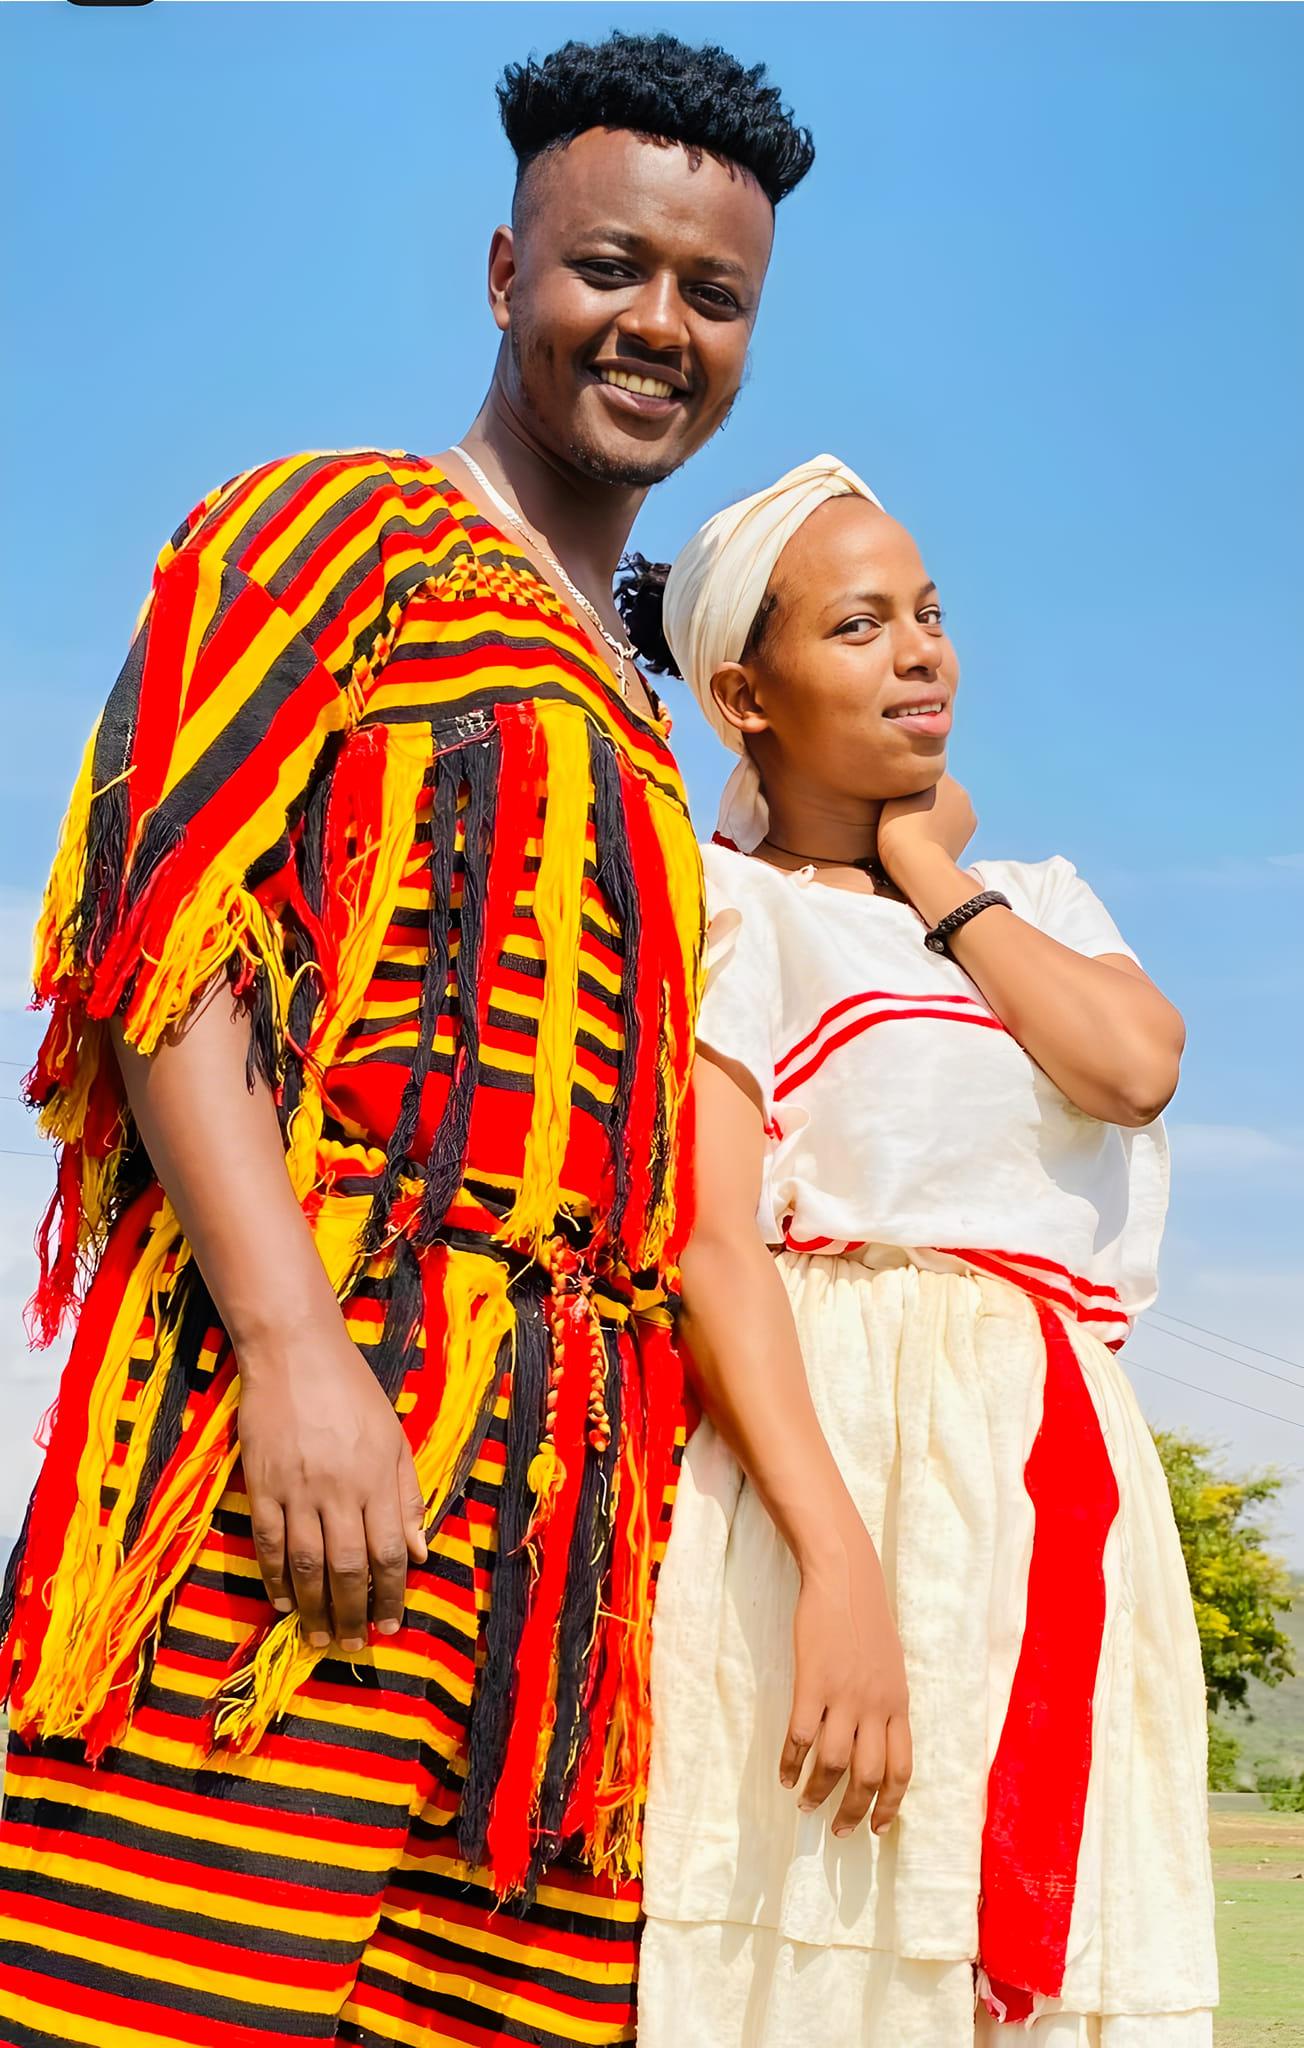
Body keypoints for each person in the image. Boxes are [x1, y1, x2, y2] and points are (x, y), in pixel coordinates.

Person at [0, 36, 813, 2047]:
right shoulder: (331, 529)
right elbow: (161, 945)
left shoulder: (633, 703)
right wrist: (294, 1352)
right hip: (299, 1434)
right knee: (156, 1993)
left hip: (561, 1543)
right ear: (503, 271)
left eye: (712, 293)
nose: (658, 324)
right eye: (607, 267)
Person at [625, 458, 1218, 2045]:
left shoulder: (1030, 895)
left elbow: (1136, 1066)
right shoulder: (730, 912)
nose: (921, 654)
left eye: (931, 615)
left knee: (1048, 1940)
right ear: (744, 697)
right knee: (829, 1928)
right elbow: (715, 1251)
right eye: (862, 625)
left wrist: (927, 870)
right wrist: (839, 1569)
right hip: (838, 1463)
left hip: (1054, 1478)